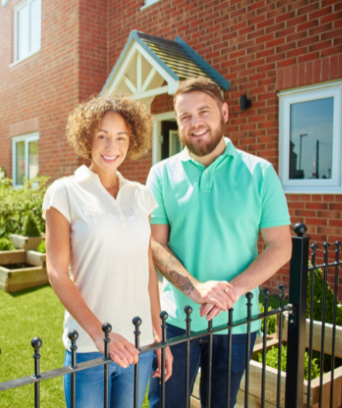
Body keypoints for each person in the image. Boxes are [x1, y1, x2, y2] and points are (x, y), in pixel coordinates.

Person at [146, 77, 292, 408]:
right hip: (176, 321)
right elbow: (156, 245)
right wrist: (197, 288)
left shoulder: (260, 172)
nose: (195, 123)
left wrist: (233, 290)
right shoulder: (161, 175)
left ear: (224, 112)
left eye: (204, 112)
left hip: (237, 320)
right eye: (185, 117)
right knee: (166, 405)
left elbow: (281, 245)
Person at [44, 93, 173, 408]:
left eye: (120, 137)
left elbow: (147, 271)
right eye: (102, 136)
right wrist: (103, 334)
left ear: (132, 141)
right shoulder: (64, 192)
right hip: (89, 346)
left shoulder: (141, 195)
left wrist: (159, 335)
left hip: (138, 345)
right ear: (88, 139)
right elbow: (57, 272)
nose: (111, 146)